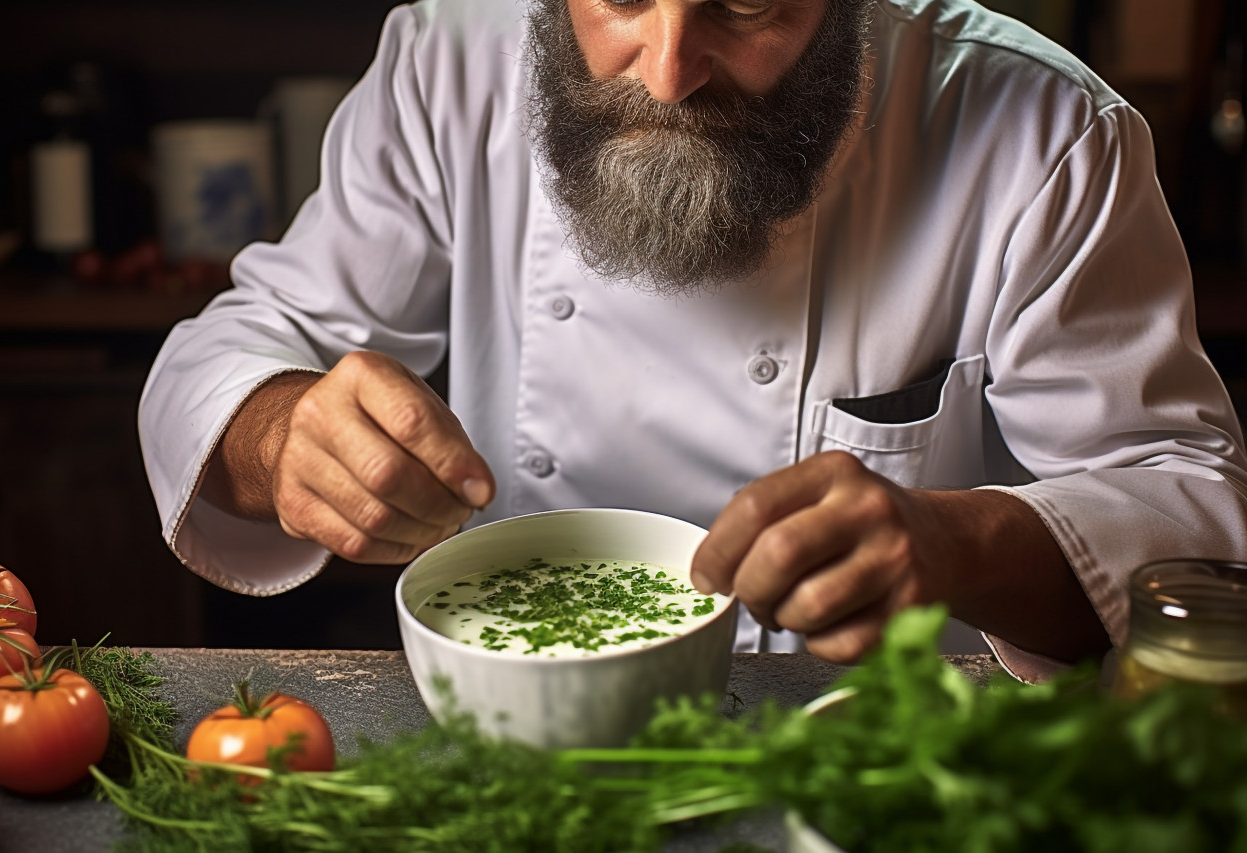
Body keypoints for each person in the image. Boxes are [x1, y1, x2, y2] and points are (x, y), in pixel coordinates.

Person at [139, 0, 1247, 681]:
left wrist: (953, 542)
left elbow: (1192, 513)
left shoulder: (1044, 133)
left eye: (747, 2)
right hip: (523, 730)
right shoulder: (449, 63)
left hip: (870, 761)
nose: (667, 69)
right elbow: (231, 352)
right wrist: (286, 430)